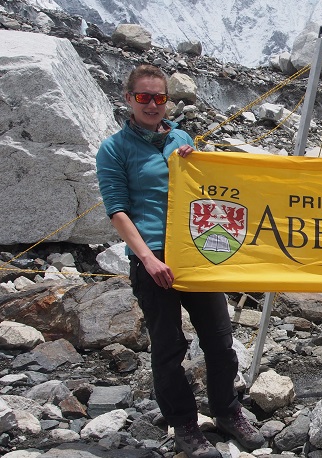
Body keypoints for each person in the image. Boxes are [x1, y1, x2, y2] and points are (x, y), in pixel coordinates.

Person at [95, 64, 265, 458]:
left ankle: (227, 412)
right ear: (129, 99)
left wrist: (196, 161)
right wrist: (147, 259)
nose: (153, 104)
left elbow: (206, 192)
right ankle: (185, 426)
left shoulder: (181, 137)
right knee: (169, 348)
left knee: (220, 343)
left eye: (159, 97)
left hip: (195, 254)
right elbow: (118, 211)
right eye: (144, 97)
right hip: (152, 259)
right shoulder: (114, 149)